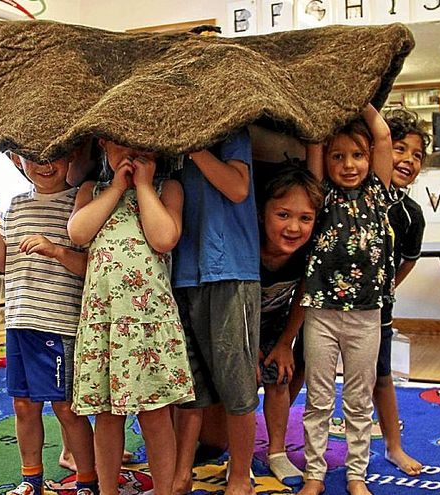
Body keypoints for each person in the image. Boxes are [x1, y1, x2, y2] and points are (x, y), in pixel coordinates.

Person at [67, 139, 194, 495]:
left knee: (156, 413)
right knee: (107, 414)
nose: (132, 155)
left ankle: (165, 490)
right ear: (104, 144)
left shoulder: (167, 189)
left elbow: (164, 238)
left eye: (142, 147)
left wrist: (141, 186)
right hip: (105, 323)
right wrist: (118, 187)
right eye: (121, 146)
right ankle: (108, 489)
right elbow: (78, 233)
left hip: (148, 324)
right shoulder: (92, 190)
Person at [0, 151, 97, 495]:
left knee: (66, 407)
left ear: (71, 157)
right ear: (17, 159)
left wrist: (56, 250)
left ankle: (86, 481)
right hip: (19, 319)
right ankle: (31, 480)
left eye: (55, 155)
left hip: (57, 322)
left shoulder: (80, 201)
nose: (45, 164)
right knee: (23, 405)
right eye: (33, 157)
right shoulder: (15, 205)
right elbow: (4, 262)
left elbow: (90, 265)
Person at [300, 104, 394, 495]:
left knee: (358, 399)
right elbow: (315, 141)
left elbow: (385, 135)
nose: (349, 164)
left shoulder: (378, 192)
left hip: (366, 314)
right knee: (318, 400)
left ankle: (357, 475)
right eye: (338, 157)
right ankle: (314, 476)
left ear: (370, 158)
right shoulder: (320, 194)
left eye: (357, 155)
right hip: (321, 313)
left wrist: (360, 101)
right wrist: (328, 104)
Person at [171, 128, 260, 495]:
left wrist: (194, 149)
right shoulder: (164, 142)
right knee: (189, 384)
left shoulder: (231, 133)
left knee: (236, 382)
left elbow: (238, 188)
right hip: (181, 272)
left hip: (231, 270)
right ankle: (181, 473)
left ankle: (240, 474)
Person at [256, 165, 324, 486]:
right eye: (283, 215)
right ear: (261, 213)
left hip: (276, 320)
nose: (294, 227)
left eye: (305, 219)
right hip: (238, 323)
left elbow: (303, 295)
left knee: (279, 379)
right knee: (239, 383)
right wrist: (247, 347)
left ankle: (277, 452)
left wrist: (285, 342)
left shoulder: (306, 252)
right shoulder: (249, 247)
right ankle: (238, 453)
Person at [372, 108, 430, 476]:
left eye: (418, 155)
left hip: (375, 307)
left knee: (382, 375)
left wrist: (384, 289)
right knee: (299, 367)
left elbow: (407, 260)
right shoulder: (361, 192)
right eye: (400, 148)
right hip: (326, 303)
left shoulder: (411, 213)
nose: (408, 160)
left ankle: (394, 445)